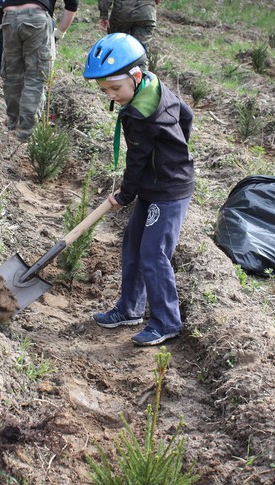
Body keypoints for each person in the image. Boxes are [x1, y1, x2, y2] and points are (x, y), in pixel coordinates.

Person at [85, 33, 195, 347]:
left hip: (169, 190)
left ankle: (167, 321)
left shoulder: (139, 116)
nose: (112, 95)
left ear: (135, 77)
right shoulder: (154, 86)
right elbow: (186, 115)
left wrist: (124, 196)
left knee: (153, 253)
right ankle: (130, 308)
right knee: (133, 246)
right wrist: (175, 150)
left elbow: (135, 161)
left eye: (115, 88)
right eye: (104, 90)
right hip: (155, 182)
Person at [0, 0, 78, 141]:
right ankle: (26, 133)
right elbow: (72, 4)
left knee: (12, 75)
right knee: (36, 77)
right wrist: (59, 32)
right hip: (36, 19)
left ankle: (13, 124)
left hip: (9, 20)